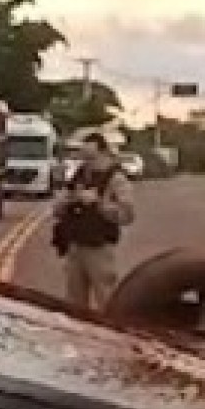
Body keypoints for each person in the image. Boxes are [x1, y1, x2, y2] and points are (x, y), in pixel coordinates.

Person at [50, 132, 135, 310]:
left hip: (99, 248)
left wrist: (98, 204)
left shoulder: (115, 179)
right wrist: (66, 202)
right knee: (74, 303)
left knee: (106, 300)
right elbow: (58, 208)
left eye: (91, 157)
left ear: (103, 153)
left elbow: (127, 215)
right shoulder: (79, 175)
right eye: (84, 157)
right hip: (75, 246)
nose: (87, 162)